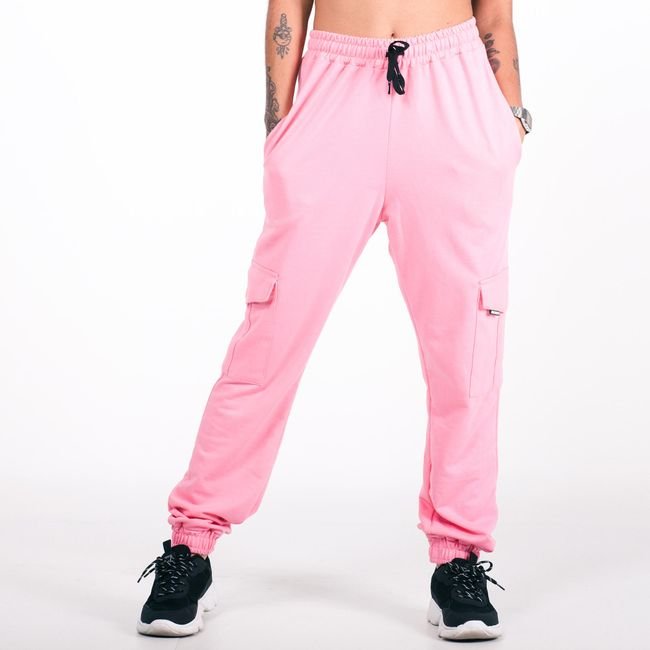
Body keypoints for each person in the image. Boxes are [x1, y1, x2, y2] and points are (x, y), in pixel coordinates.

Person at [136, 0, 532, 641]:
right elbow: (287, 7)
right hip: (333, 96)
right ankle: (191, 545)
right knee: (270, 337)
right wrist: (280, 130)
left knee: (467, 347)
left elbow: (495, 15)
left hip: (456, 97)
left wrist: (509, 123)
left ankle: (458, 560)